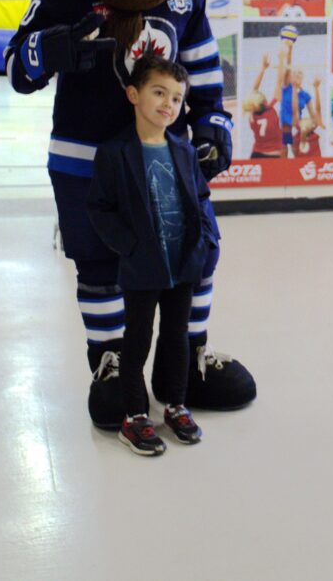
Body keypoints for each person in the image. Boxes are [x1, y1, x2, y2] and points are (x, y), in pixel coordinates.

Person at [1, 0, 256, 429]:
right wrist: (56, 47)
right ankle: (112, 363)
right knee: (101, 264)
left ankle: (187, 358)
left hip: (167, 160)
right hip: (86, 161)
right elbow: (17, 66)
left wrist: (213, 125)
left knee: (191, 255)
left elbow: (203, 68)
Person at [86, 56, 214, 456]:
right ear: (133, 94)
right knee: (138, 339)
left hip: (182, 264)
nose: (168, 104)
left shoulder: (183, 150)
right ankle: (134, 416)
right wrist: (129, 246)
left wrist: (205, 242)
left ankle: (174, 404)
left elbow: (201, 198)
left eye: (177, 98)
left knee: (177, 337)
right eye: (159, 93)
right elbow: (98, 208)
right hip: (143, 265)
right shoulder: (115, 152)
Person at [242, 53, 284, 158]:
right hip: (273, 155)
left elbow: (254, 90)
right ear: (264, 101)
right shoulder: (272, 109)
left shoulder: (252, 115)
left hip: (256, 154)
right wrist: (281, 58)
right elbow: (279, 82)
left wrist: (263, 68)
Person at [291, 75, 323, 158]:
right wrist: (316, 88)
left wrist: (295, 89)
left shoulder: (298, 134)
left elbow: (295, 110)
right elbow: (318, 110)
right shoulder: (311, 132)